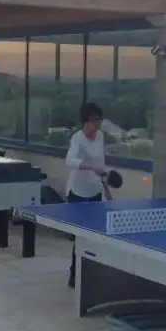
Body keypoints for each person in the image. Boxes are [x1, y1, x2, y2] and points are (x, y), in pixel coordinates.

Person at [65, 102, 112, 288]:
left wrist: (106, 188)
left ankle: (91, 274)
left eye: (99, 120)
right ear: (86, 121)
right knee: (80, 236)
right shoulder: (77, 139)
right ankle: (74, 276)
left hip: (95, 192)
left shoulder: (100, 137)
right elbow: (70, 160)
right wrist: (90, 166)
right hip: (77, 192)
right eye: (94, 120)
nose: (97, 124)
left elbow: (101, 164)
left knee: (94, 236)